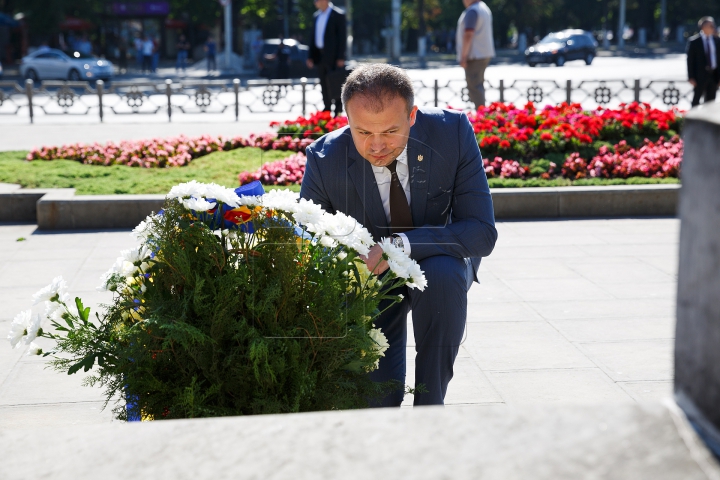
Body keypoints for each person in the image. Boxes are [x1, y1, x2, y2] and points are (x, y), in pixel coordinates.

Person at [300, 64, 497, 406]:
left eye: (390, 131)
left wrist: (399, 246)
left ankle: (430, 408)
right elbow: (310, 243)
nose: (376, 145)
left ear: (413, 116)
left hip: (437, 266)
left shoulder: (452, 133)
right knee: (379, 399)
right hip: (370, 277)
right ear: (346, 119)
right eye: (362, 132)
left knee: (442, 273)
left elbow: (481, 232)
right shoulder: (324, 159)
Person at [307, 0, 346, 115]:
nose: (315, 3)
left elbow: (342, 37)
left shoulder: (338, 15)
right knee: (324, 84)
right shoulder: (316, 16)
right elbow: (313, 38)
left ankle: (338, 110)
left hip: (334, 58)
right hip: (320, 56)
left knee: (336, 83)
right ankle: (327, 109)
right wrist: (310, 57)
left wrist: (341, 57)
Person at [456, 0, 495, 109]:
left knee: (474, 87)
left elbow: (468, 34)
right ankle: (482, 115)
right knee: (478, 85)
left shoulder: (472, 11)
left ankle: (481, 117)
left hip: (474, 55)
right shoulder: (483, 8)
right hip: (483, 53)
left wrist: (463, 56)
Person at [687, 16, 720, 107]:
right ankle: (693, 120)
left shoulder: (717, 40)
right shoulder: (694, 41)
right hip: (699, 76)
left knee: (711, 101)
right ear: (703, 27)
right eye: (711, 26)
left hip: (713, 75)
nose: (713, 28)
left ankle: (707, 120)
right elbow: (690, 60)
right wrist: (691, 77)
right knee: (696, 101)